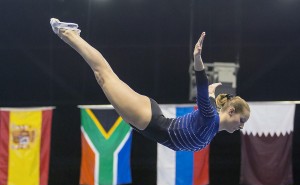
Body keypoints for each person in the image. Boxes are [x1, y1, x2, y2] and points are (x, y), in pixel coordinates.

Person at [50, 18, 250, 151]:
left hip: (149, 120)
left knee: (105, 77)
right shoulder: (210, 119)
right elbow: (201, 85)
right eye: (242, 121)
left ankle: (71, 34)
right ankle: (67, 33)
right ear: (231, 111)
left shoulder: (211, 120)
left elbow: (205, 102)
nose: (241, 127)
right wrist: (197, 59)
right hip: (148, 120)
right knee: (103, 76)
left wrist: (212, 92)